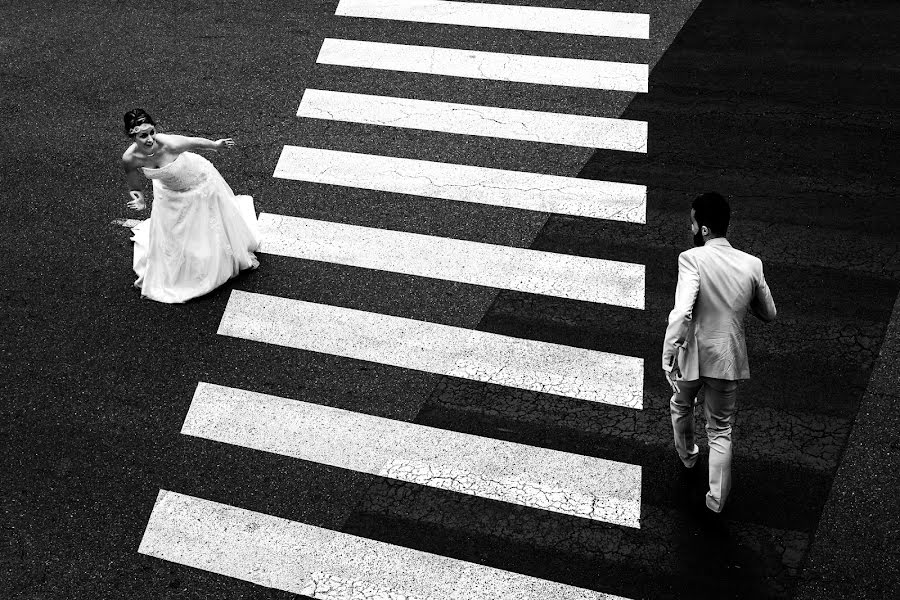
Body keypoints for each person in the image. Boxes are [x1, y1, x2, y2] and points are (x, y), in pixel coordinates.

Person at [662, 192, 777, 513]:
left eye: (692, 222)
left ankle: (688, 456)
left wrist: (668, 354)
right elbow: (769, 313)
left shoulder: (691, 259)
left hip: (692, 356)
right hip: (728, 359)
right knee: (721, 429)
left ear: (704, 230)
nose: (691, 227)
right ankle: (716, 500)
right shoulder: (751, 264)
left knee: (681, 404)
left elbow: (682, 311)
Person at [121, 108, 260, 303]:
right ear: (132, 135)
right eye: (143, 135)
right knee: (175, 232)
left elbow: (194, 142)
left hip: (198, 183)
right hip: (168, 192)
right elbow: (133, 183)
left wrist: (216, 145)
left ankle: (213, 261)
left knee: (205, 226)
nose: (150, 138)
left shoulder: (169, 144)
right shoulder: (129, 159)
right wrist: (139, 199)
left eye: (152, 132)